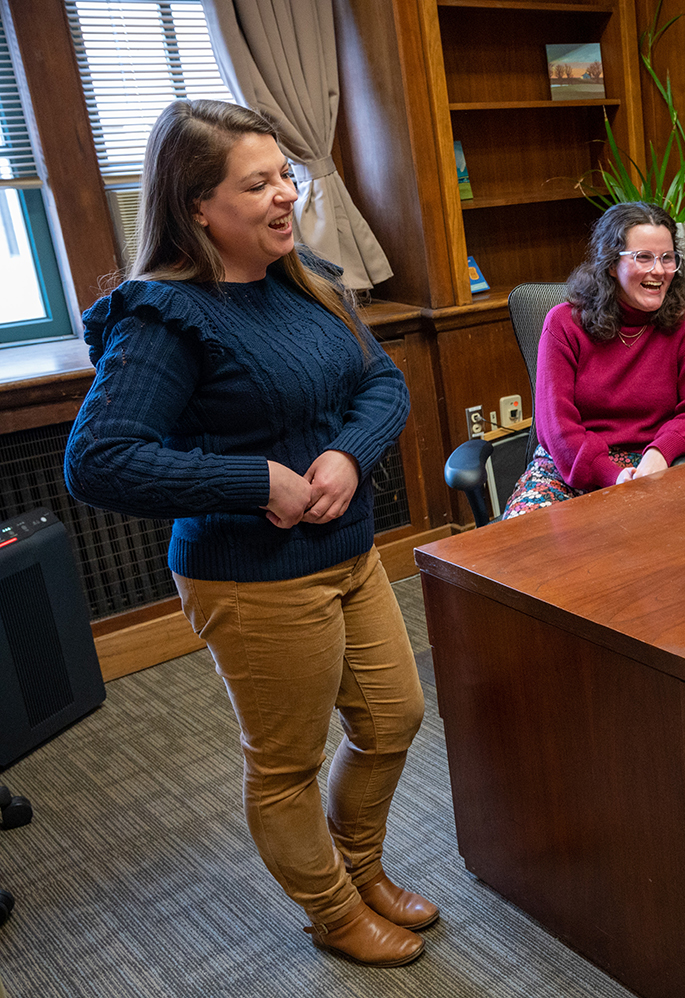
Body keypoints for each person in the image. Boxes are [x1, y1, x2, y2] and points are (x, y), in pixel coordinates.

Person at [64, 100, 432, 968]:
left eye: (285, 177)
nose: (283, 198)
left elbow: (383, 383)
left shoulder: (299, 272)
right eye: (257, 183)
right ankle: (333, 911)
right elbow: (99, 459)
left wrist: (347, 453)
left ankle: (360, 867)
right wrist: (254, 480)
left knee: (392, 719)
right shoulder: (163, 315)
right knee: (287, 762)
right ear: (198, 205)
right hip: (255, 576)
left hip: (346, 553)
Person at [502, 201, 685, 518]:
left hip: (652, 465)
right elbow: (557, 429)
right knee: (529, 548)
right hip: (569, 466)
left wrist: (661, 452)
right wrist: (610, 473)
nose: (658, 270)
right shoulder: (564, 324)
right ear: (610, 264)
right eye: (643, 257)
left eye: (667, 258)